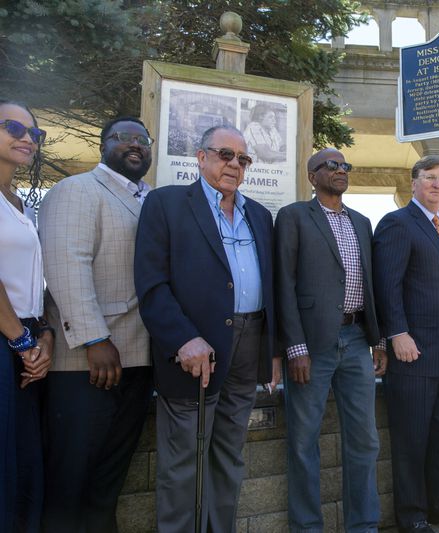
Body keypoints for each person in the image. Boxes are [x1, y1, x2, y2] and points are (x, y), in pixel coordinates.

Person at [134, 125, 280, 532]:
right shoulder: (166, 204)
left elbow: (270, 286)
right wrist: (184, 339)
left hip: (248, 346)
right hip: (196, 351)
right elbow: (151, 285)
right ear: (201, 158)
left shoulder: (260, 215)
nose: (234, 164)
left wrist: (272, 351)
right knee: (183, 461)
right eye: (224, 155)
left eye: (243, 159)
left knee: (230, 454)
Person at [37, 117, 154, 533]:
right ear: (104, 145)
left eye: (143, 139)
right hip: (86, 364)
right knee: (71, 482)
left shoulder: (149, 199)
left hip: (138, 360)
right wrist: (94, 337)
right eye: (125, 138)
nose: (135, 145)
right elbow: (67, 266)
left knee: (107, 482)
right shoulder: (76, 191)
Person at [275, 148, 386, 532]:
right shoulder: (293, 217)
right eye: (331, 166)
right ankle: (307, 527)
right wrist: (294, 347)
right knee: (304, 443)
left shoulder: (362, 222)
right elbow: (283, 286)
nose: (340, 171)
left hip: (356, 340)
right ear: (312, 175)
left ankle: (364, 525)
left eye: (345, 166)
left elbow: (371, 287)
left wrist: (380, 340)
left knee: (365, 441)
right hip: (312, 346)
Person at [373, 156, 439, 532]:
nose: (438, 184)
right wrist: (396, 333)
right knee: (411, 441)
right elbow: (388, 284)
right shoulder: (397, 224)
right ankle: (413, 516)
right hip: (413, 352)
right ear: (414, 182)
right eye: (430, 178)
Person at [0, 99, 52, 533]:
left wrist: (43, 336)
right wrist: (20, 340)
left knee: (24, 462)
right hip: (9, 340)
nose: (26, 138)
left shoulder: (18, 200)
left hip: (27, 342)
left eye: (34, 133)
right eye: (13, 128)